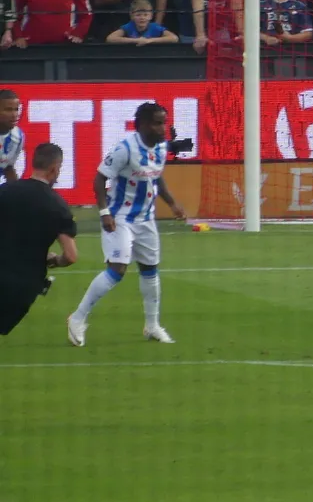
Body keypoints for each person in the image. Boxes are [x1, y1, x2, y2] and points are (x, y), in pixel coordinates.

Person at [67, 102, 186, 347]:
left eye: (163, 122)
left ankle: (152, 326)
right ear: (142, 125)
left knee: (150, 269)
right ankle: (77, 318)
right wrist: (104, 212)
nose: (162, 127)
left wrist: (173, 204)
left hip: (146, 219)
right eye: (157, 122)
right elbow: (100, 178)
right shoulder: (125, 149)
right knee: (118, 268)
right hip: (119, 217)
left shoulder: (161, 148)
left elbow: (157, 177)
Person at [0, 141, 78, 337]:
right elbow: (70, 256)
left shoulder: (5, 192)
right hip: (24, 286)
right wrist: (54, 260)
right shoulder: (58, 206)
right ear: (54, 169)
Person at [0, 88, 22, 182]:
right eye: (8, 110)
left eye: (16, 109)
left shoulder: (18, 136)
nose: (14, 115)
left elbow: (8, 167)